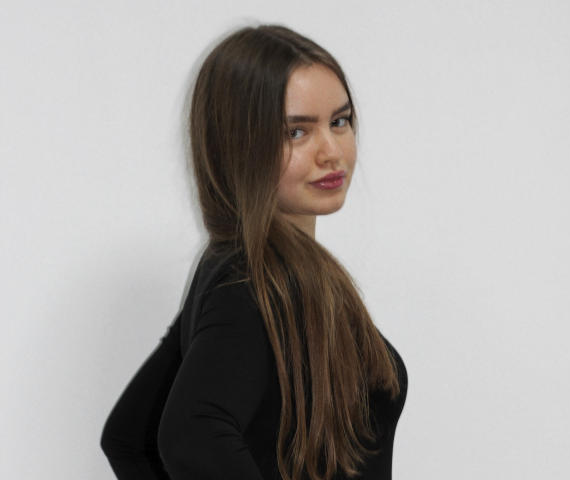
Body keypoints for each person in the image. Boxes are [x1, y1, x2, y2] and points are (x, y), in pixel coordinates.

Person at [100, 23, 408, 480]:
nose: (331, 151)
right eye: (296, 132)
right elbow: (188, 435)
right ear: (237, 146)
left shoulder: (248, 271)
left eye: (339, 121)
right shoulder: (248, 283)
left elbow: (130, 437)